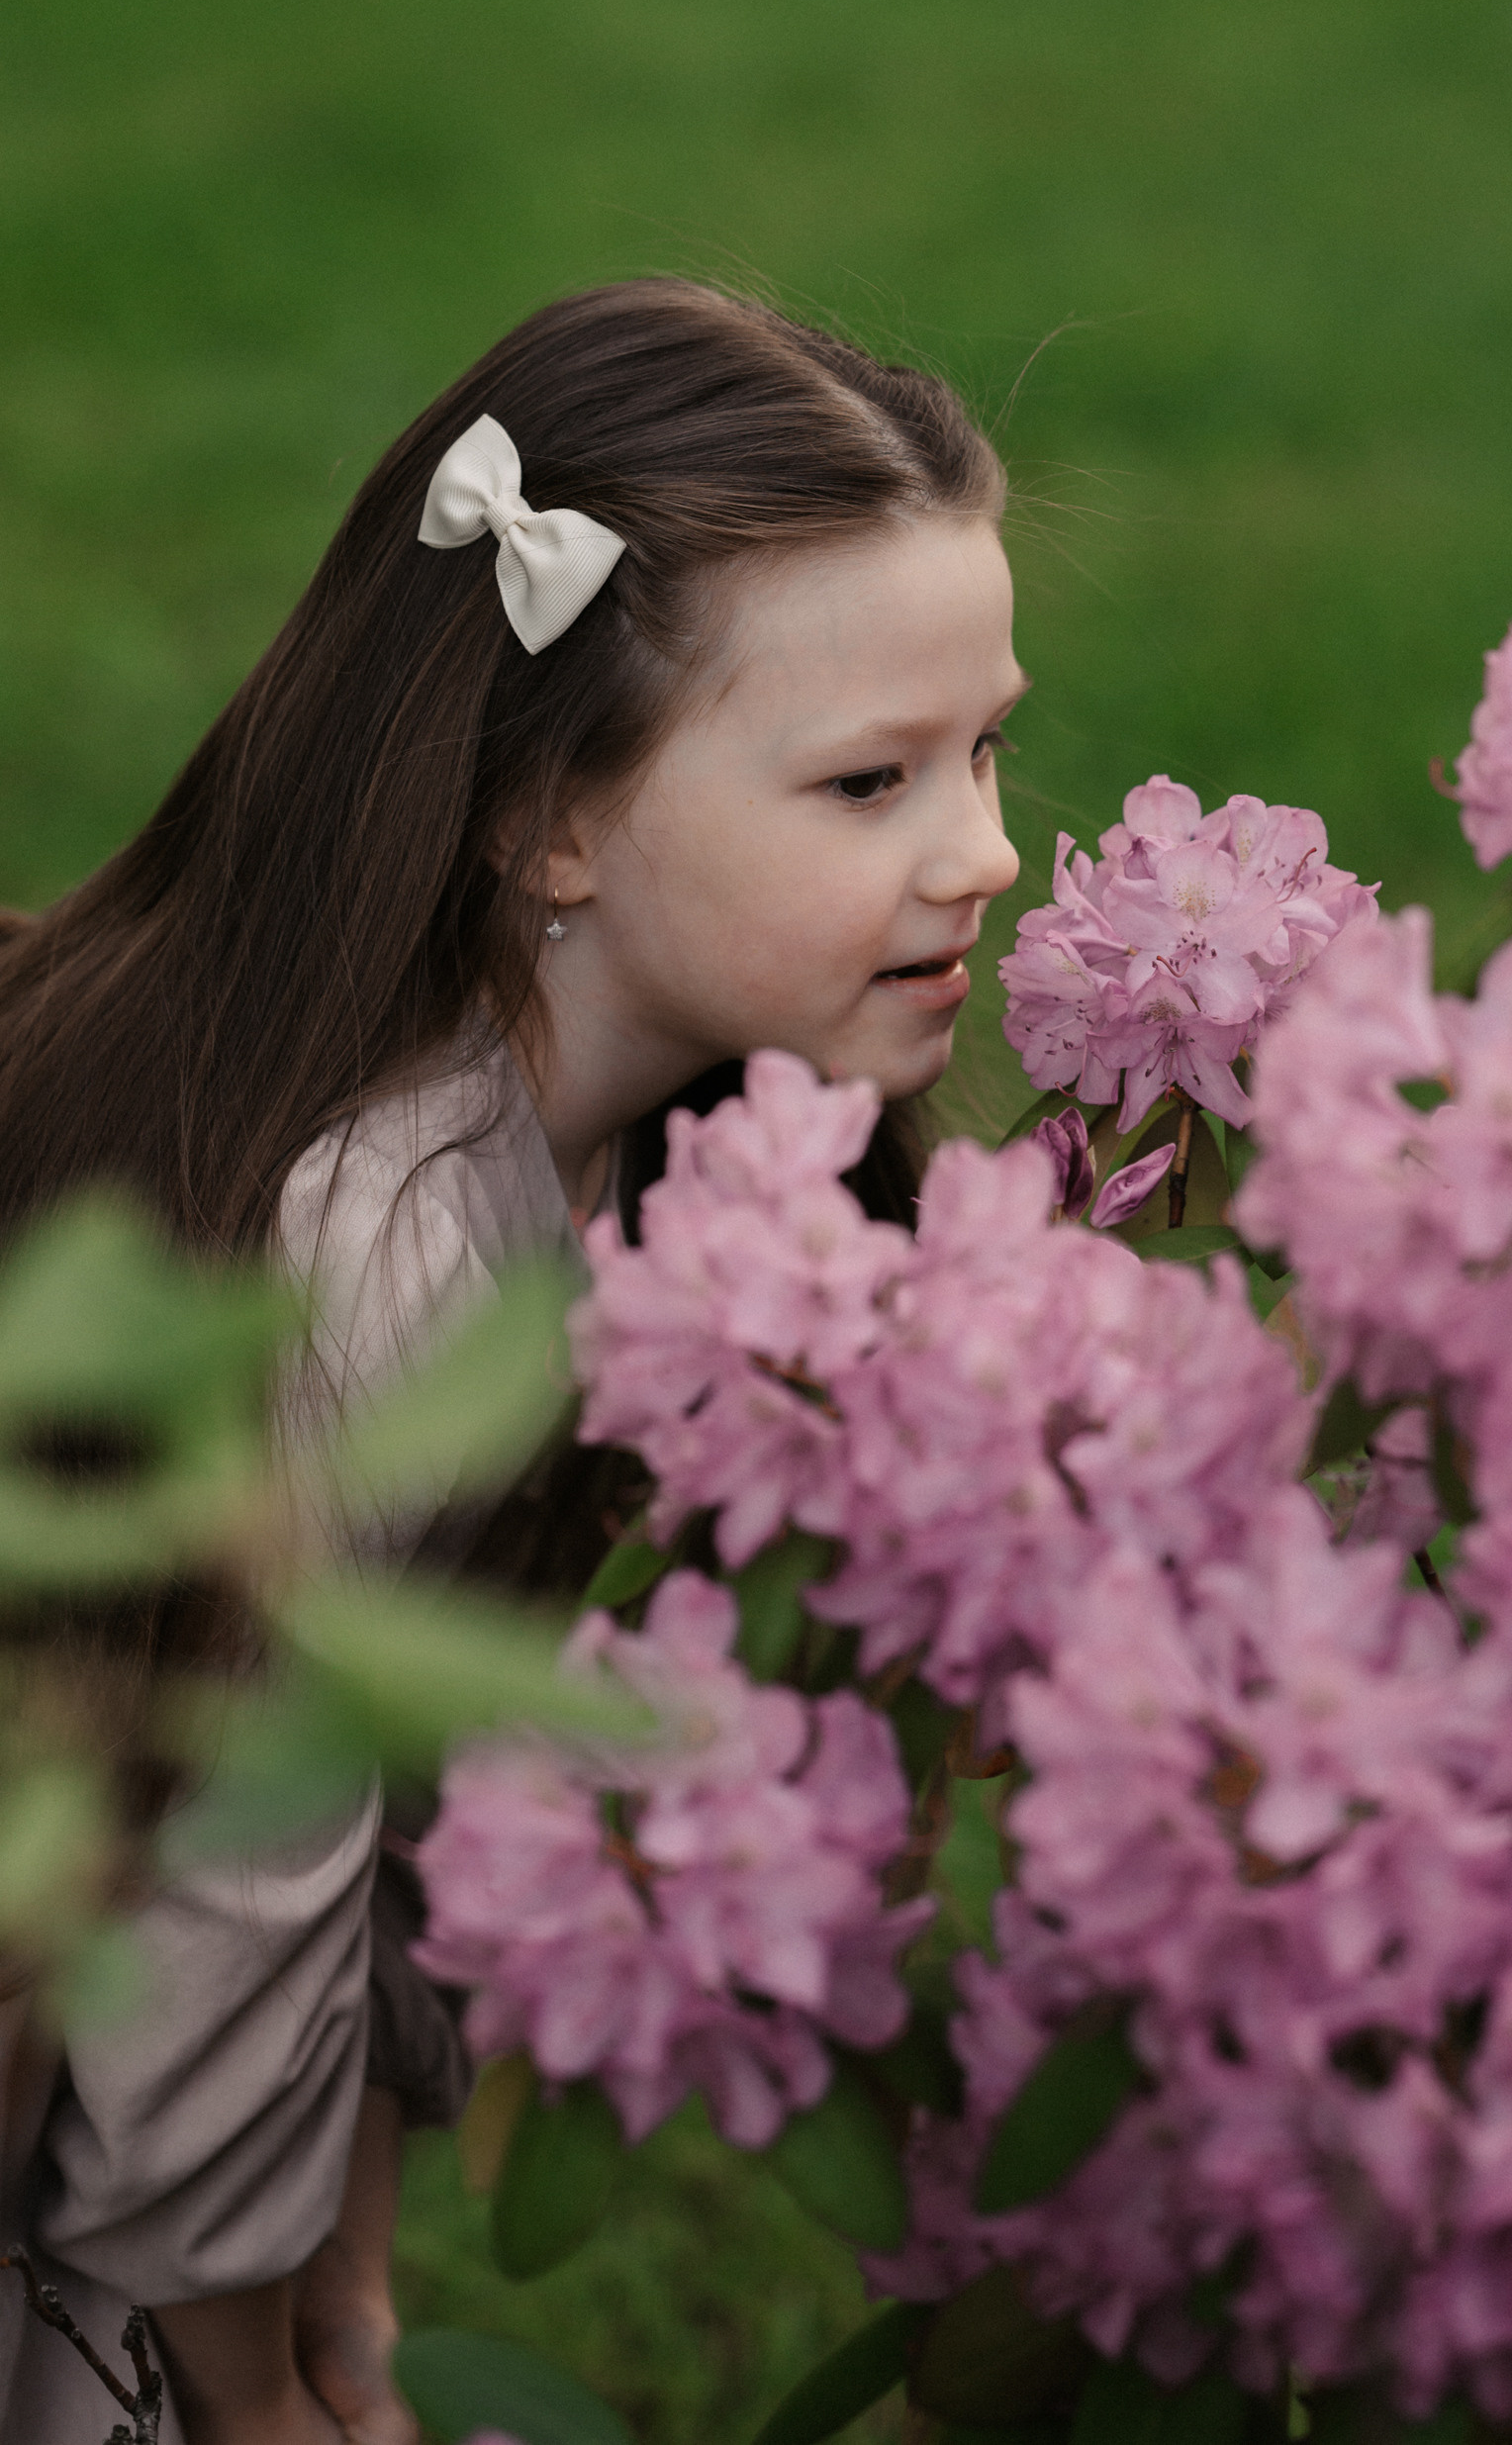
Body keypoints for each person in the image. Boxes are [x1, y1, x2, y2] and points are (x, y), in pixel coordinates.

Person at [0, 280, 1024, 2444]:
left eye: (983, 744)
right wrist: (253, 2384)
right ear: (548, 818)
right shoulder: (368, 1263)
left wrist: (346, 2263)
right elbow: (220, 1897)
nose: (983, 852)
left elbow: (375, 1799)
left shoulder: (633, 1158)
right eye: (867, 781)